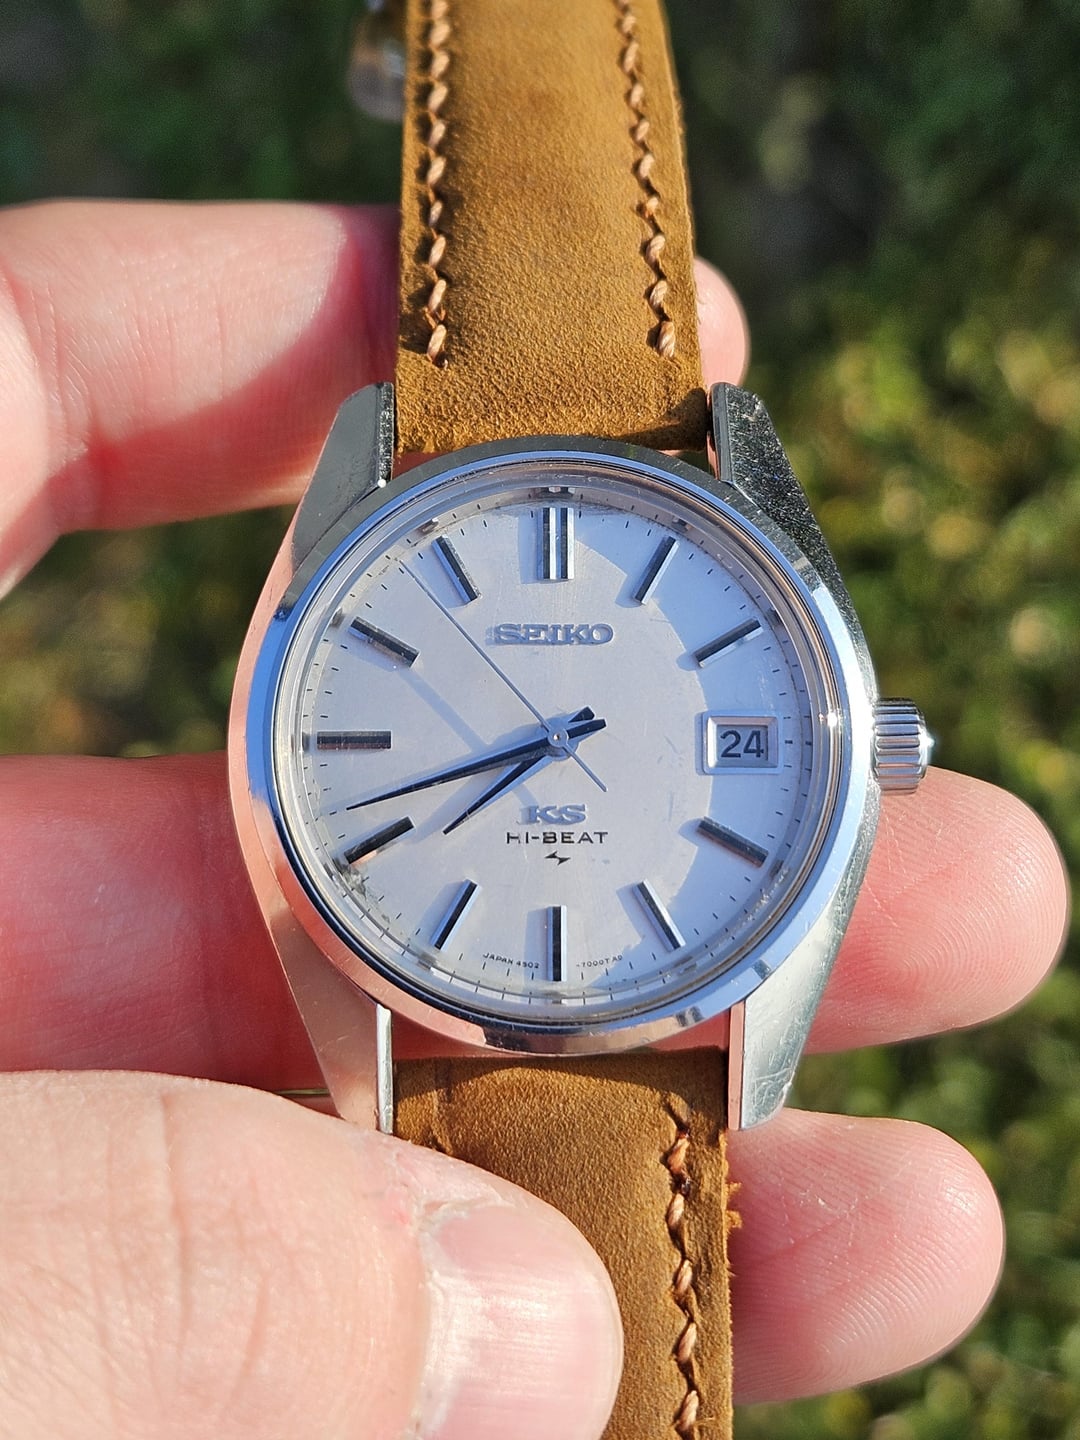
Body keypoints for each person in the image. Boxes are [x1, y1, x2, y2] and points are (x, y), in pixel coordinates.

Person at [0, 200, 1068, 1439]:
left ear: (874, 750)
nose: (558, 743)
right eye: (548, 736)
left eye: (567, 735)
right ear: (893, 749)